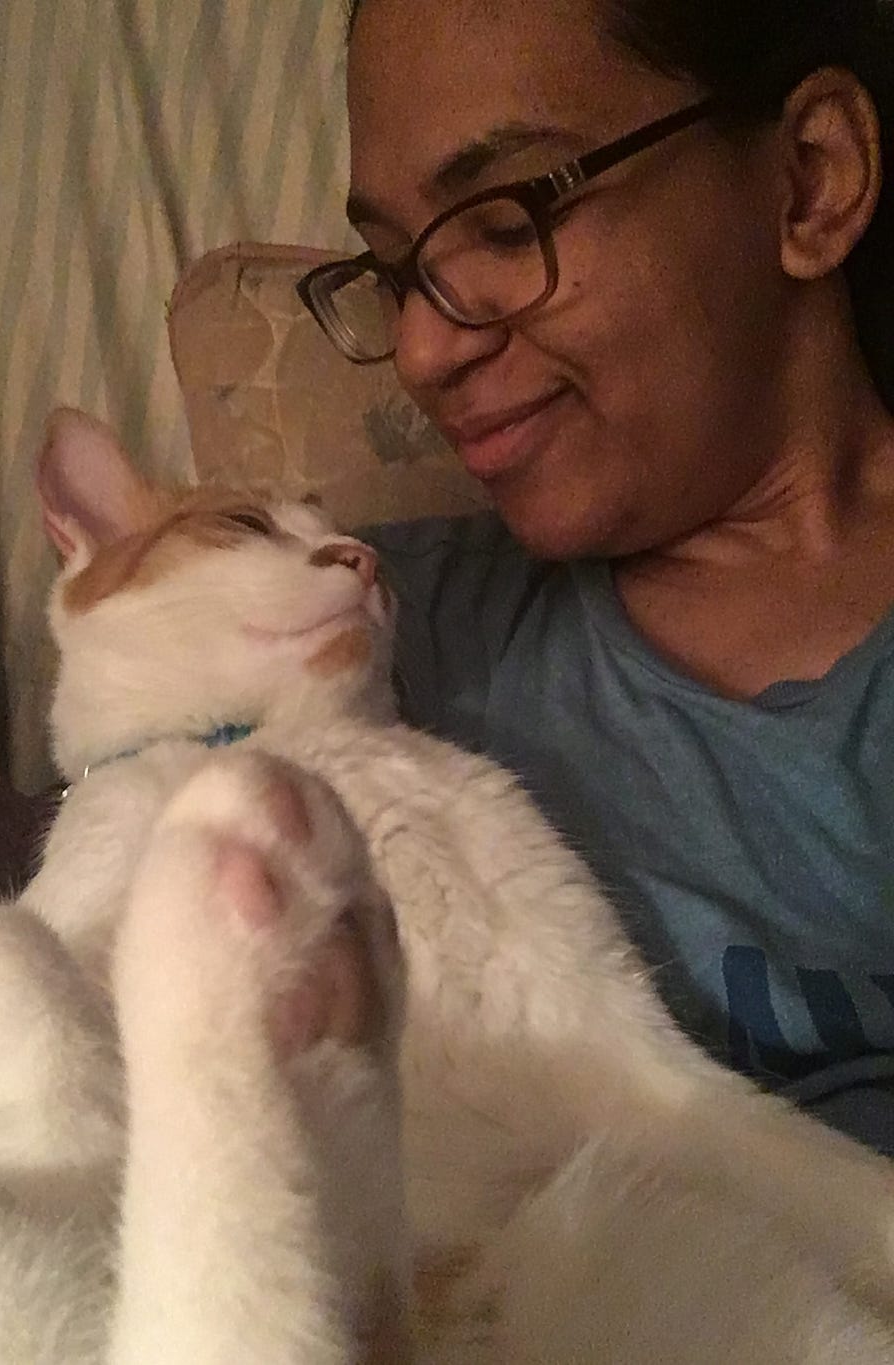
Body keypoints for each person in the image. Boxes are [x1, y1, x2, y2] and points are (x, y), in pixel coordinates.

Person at [297, 0, 894, 1154]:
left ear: (810, 180)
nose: (422, 351)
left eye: (510, 223)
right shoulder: (354, 623)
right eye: (389, 269)